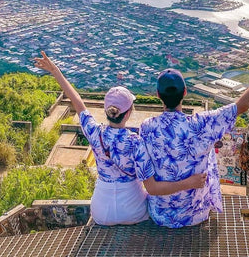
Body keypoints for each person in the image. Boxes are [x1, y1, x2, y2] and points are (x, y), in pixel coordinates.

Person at [34, 51, 206, 226]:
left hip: (101, 211)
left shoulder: (94, 132)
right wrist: (189, 182)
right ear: (129, 112)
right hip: (133, 210)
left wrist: (55, 70)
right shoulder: (136, 142)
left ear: (107, 110)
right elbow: (152, 187)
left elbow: (76, 100)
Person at [135, 45, 249, 228]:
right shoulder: (203, 124)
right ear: (185, 92)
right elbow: (242, 106)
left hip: (161, 215)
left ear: (158, 95)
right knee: (208, 149)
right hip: (196, 214)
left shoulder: (147, 128)